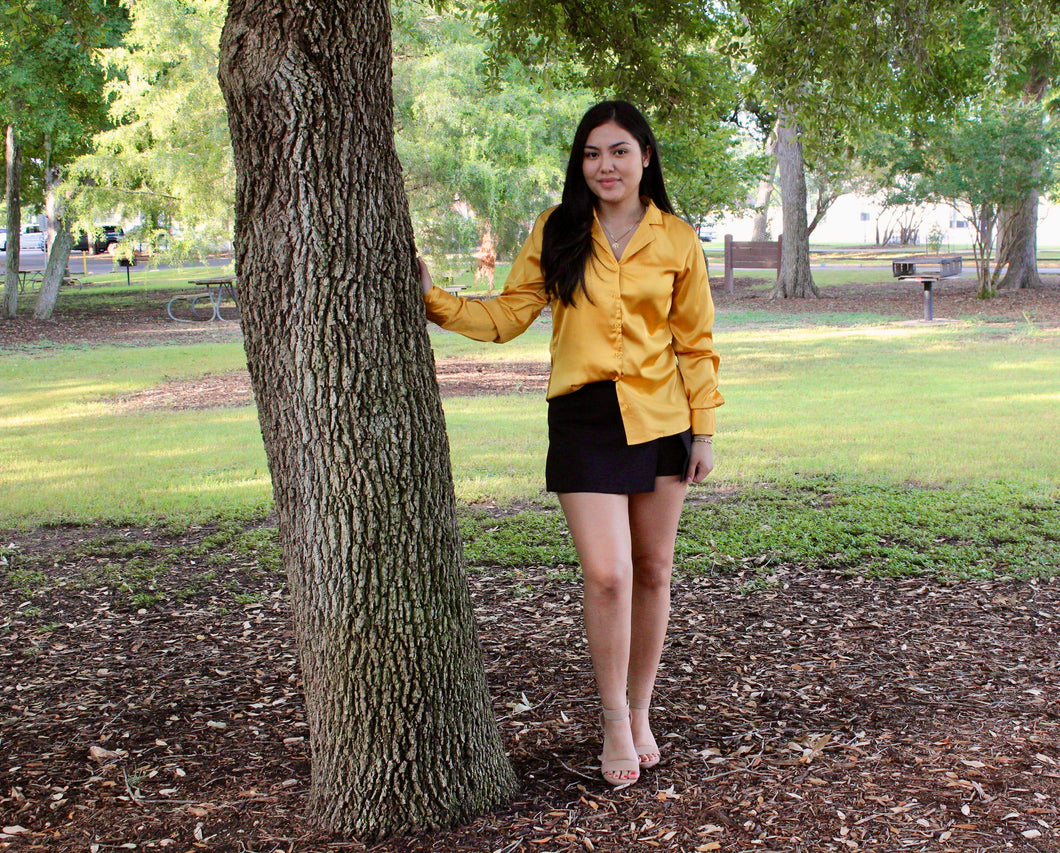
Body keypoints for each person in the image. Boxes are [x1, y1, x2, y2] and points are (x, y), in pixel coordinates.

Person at [418, 100, 723, 788]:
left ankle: (642, 709)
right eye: (591, 153)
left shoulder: (676, 238)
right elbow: (507, 314)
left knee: (652, 572)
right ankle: (613, 715)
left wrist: (703, 428)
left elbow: (695, 343)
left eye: (618, 151)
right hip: (584, 419)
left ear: (645, 156)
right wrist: (434, 298)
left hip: (662, 421)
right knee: (608, 573)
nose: (604, 165)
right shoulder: (557, 229)